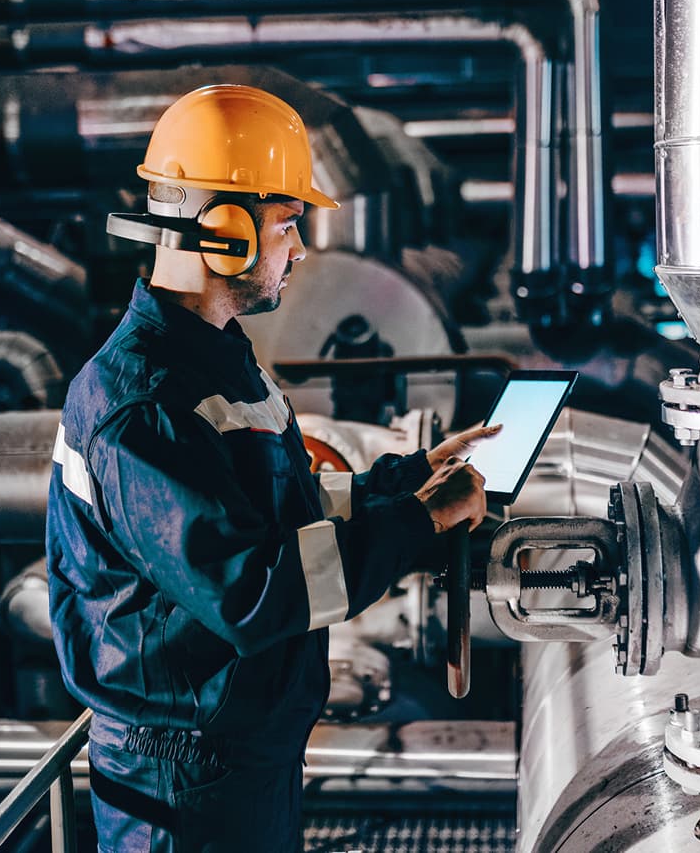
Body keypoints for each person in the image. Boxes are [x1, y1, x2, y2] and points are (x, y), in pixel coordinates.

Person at [46, 83, 499, 853]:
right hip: (183, 786)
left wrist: (405, 478)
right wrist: (419, 521)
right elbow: (254, 591)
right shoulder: (147, 405)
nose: (300, 249)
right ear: (226, 232)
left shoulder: (215, 360)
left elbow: (278, 504)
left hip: (235, 760)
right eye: (289, 224)